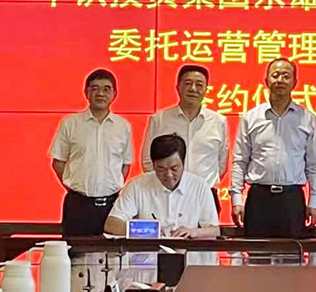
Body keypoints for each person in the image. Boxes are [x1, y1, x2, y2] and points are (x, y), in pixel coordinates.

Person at [230, 58, 316, 238]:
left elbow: (313, 166)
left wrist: (314, 201)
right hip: (259, 198)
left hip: (292, 199)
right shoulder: (250, 118)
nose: (280, 80)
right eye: (275, 75)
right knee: (256, 254)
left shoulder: (307, 119)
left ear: (294, 82)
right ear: (266, 81)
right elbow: (240, 162)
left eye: (286, 76)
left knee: (292, 253)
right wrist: (236, 199)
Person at [49, 69, 133, 236]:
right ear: (86, 92)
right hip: (78, 205)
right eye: (94, 88)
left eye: (106, 89)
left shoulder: (123, 126)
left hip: (112, 205)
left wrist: (110, 187)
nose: (100, 93)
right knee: (75, 250)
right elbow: (58, 162)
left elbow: (125, 164)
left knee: (112, 251)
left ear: (114, 94)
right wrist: (74, 186)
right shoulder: (70, 123)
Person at [141, 64, 228, 213]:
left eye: (199, 85)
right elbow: (148, 160)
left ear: (206, 90)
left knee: (206, 229)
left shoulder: (218, 121)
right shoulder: (160, 119)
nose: (193, 89)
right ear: (178, 87)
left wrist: (200, 185)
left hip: (205, 196)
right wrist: (166, 183)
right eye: (188, 83)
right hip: (165, 195)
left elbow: (221, 163)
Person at [104, 134, 220, 238]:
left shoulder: (199, 186)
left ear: (183, 163)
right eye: (161, 169)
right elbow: (112, 224)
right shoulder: (136, 186)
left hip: (187, 253)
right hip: (149, 253)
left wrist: (194, 232)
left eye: (174, 168)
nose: (169, 175)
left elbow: (215, 230)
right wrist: (148, 231)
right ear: (153, 165)